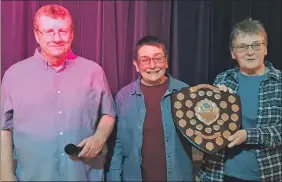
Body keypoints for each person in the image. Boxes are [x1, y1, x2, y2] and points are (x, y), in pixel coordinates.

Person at [1, 4, 116, 181]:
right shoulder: (13, 75)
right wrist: (5, 174)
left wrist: (100, 136)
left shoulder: (94, 71)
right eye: (49, 31)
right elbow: (4, 128)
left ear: (72, 34)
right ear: (37, 35)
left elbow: (109, 114)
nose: (57, 38)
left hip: (84, 175)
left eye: (63, 31)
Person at [199, 19, 282, 182]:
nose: (250, 52)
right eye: (242, 47)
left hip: (267, 174)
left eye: (256, 45)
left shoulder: (279, 82)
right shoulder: (223, 79)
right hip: (221, 174)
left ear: (265, 48)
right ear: (233, 53)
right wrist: (212, 107)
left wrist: (248, 135)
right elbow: (208, 128)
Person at [106, 35, 194, 181]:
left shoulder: (185, 92)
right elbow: (118, 144)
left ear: (166, 62)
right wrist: (113, 177)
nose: (152, 66)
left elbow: (202, 135)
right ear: (136, 64)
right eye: (145, 60)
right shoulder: (124, 97)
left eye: (158, 58)